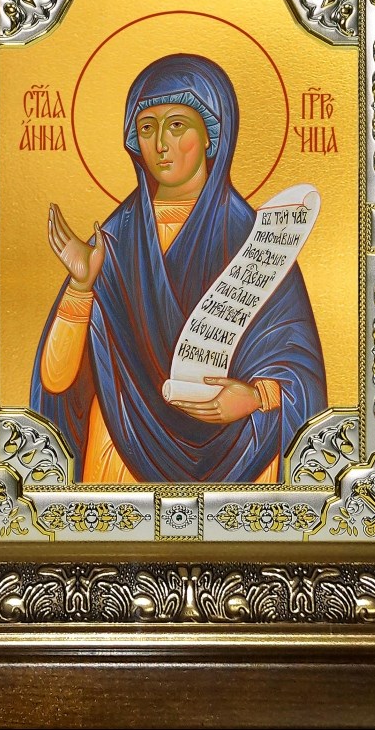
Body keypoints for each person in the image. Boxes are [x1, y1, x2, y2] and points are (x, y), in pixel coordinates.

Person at [30, 53, 326, 483]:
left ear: (211, 136)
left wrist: (255, 397)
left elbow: (301, 376)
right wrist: (81, 286)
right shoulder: (113, 244)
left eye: (177, 125)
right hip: (123, 449)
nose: (161, 145)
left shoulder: (260, 240)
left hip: (239, 454)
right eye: (147, 128)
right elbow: (56, 381)